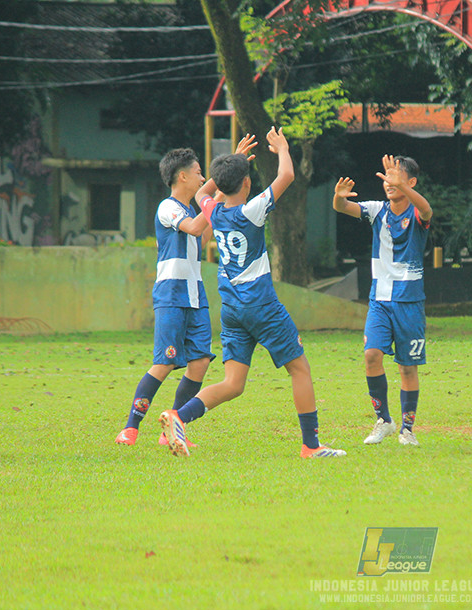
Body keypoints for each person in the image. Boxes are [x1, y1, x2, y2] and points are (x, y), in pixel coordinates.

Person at [158, 127, 346, 459]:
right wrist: (283, 147)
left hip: (231, 308)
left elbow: (204, 190)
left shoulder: (212, 211)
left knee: (234, 384)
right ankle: (311, 446)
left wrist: (227, 167)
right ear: (247, 183)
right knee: (299, 368)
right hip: (260, 305)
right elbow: (286, 174)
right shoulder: (252, 210)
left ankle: (179, 416)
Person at [115, 147, 215, 447]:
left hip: (196, 295)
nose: (202, 177)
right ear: (182, 176)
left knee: (199, 363)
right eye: (198, 172)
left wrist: (220, 189)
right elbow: (197, 226)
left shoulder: (190, 212)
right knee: (165, 362)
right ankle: (130, 428)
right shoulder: (168, 208)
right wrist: (216, 193)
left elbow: (202, 236)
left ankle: (170, 430)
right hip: (171, 295)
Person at [332, 154, 432, 447]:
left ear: (410, 182)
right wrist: (338, 198)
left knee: (407, 367)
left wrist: (406, 188)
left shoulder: (415, 213)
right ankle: (384, 420)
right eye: (387, 176)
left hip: (409, 302)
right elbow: (342, 207)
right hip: (380, 301)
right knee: (371, 355)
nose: (389, 182)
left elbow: (426, 209)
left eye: (396, 177)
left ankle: (407, 428)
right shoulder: (378, 211)